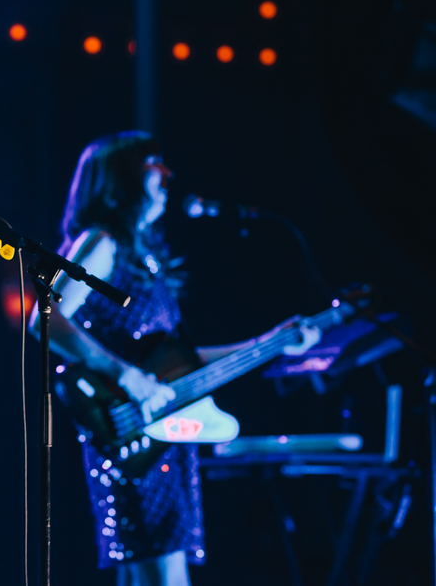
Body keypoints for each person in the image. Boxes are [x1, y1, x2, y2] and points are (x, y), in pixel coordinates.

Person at [30, 132, 317, 586]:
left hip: (163, 439)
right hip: (131, 433)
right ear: (121, 178)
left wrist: (270, 343)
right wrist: (126, 375)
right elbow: (44, 318)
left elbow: (181, 362)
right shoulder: (101, 243)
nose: (167, 174)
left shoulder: (146, 260)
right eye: (153, 165)